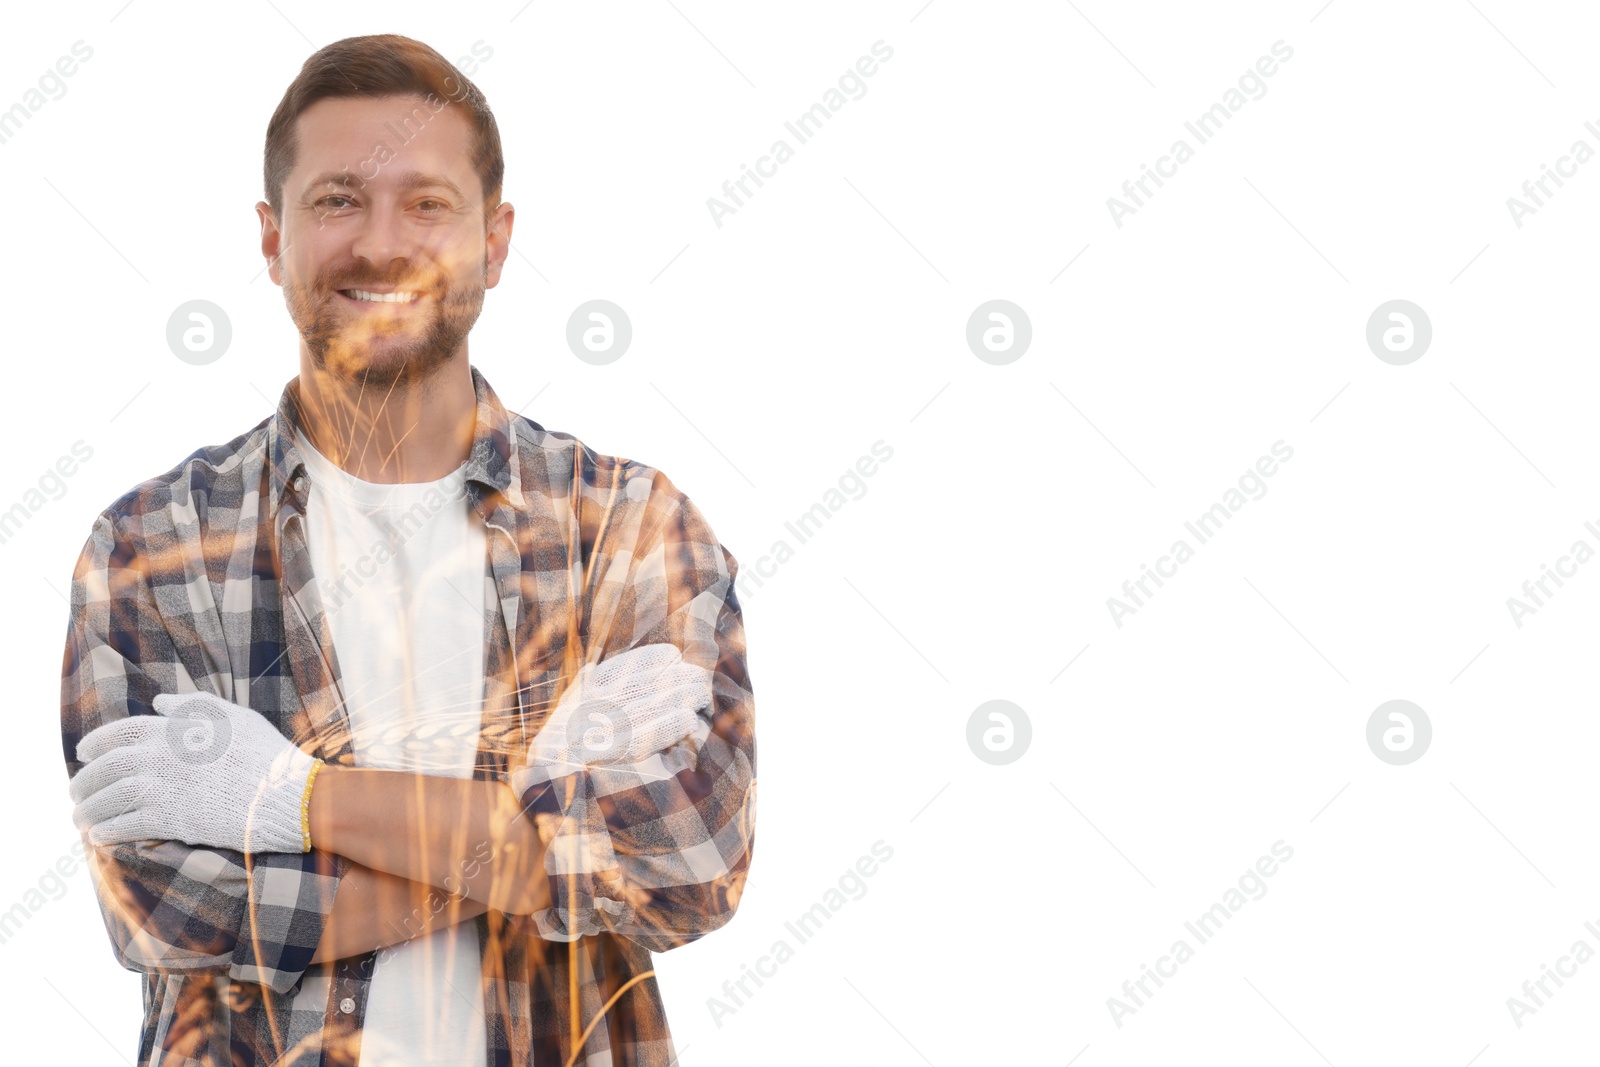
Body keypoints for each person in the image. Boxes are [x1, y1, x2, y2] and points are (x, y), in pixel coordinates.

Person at [58, 33, 756, 1067]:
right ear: (271, 237)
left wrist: (293, 800)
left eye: (427, 203)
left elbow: (688, 867)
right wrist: (531, 832)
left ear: (496, 240)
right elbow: (166, 909)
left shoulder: (629, 527)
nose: (382, 243)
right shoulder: (151, 545)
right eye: (338, 199)